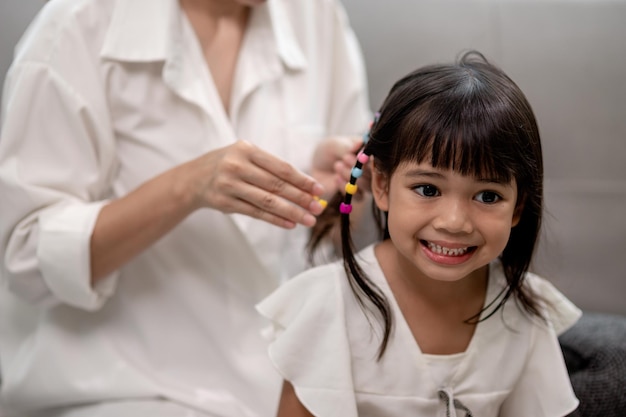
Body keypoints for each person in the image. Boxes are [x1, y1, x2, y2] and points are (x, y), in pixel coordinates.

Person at [0, 0, 371, 415]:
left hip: (289, 386)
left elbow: (340, 228)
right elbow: (26, 257)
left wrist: (329, 195)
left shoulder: (316, 15)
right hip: (124, 391)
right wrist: (188, 186)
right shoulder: (76, 26)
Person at [257, 51, 582, 417]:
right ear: (381, 185)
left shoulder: (523, 309)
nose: (455, 221)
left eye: (487, 196)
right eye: (428, 189)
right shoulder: (326, 307)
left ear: (518, 207)